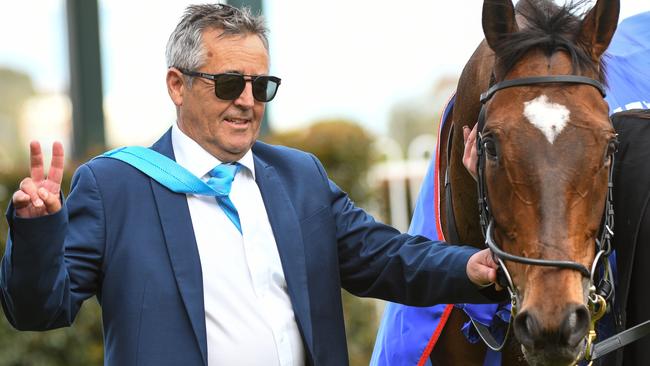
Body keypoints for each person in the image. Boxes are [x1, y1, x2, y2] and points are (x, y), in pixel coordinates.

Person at [0, 4, 502, 366]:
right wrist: (38, 232)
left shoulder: (298, 177)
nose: (247, 101)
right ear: (177, 85)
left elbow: (384, 257)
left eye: (261, 86)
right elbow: (39, 310)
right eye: (227, 83)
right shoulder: (115, 187)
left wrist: (470, 265)